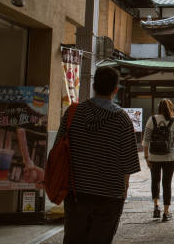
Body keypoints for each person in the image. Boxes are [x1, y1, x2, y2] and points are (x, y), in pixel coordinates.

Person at [56, 66, 140, 244]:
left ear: (94, 86)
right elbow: (129, 162)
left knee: (73, 239)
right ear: (115, 90)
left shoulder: (72, 113)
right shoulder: (122, 119)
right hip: (109, 194)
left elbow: (57, 148)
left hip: (76, 191)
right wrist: (123, 188)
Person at [142, 99, 174, 221]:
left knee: (155, 180)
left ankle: (156, 207)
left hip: (153, 156)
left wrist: (146, 157)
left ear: (159, 107)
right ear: (171, 107)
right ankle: (166, 212)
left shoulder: (152, 119)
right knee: (167, 183)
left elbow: (146, 140)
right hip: (170, 157)